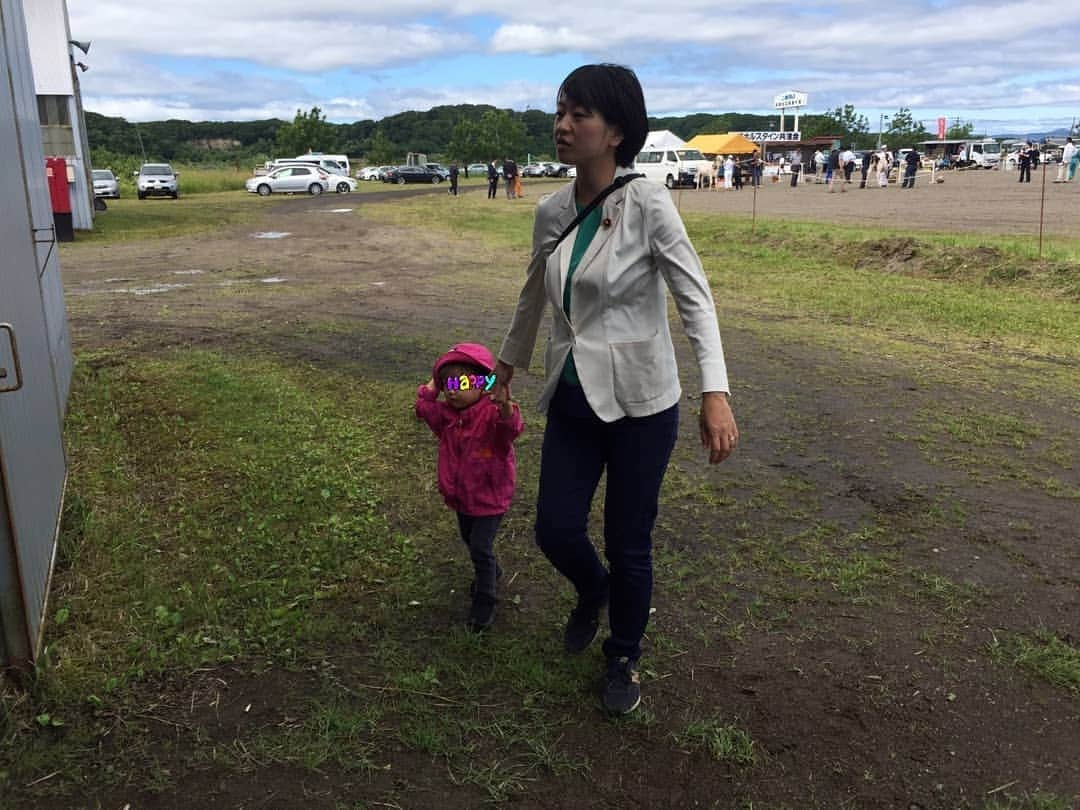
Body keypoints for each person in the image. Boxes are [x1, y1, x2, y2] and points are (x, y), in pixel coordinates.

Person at [493, 63, 738, 715]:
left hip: (641, 403)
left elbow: (695, 297)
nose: (562, 125)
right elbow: (530, 295)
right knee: (553, 529)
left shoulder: (648, 203)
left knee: (631, 537)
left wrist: (714, 391)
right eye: (560, 110)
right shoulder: (550, 211)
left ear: (617, 131)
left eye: (580, 115)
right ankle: (591, 589)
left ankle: (624, 652)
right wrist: (507, 366)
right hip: (572, 396)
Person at [415, 343, 524, 632]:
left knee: (480, 546)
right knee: (470, 539)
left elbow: (511, 428)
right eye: (448, 383)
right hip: (461, 497)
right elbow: (423, 407)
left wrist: (503, 405)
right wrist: (432, 384)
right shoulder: (446, 417)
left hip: (490, 496)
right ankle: (493, 570)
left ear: (482, 383)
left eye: (462, 382)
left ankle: (486, 599)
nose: (453, 389)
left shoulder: (491, 414)